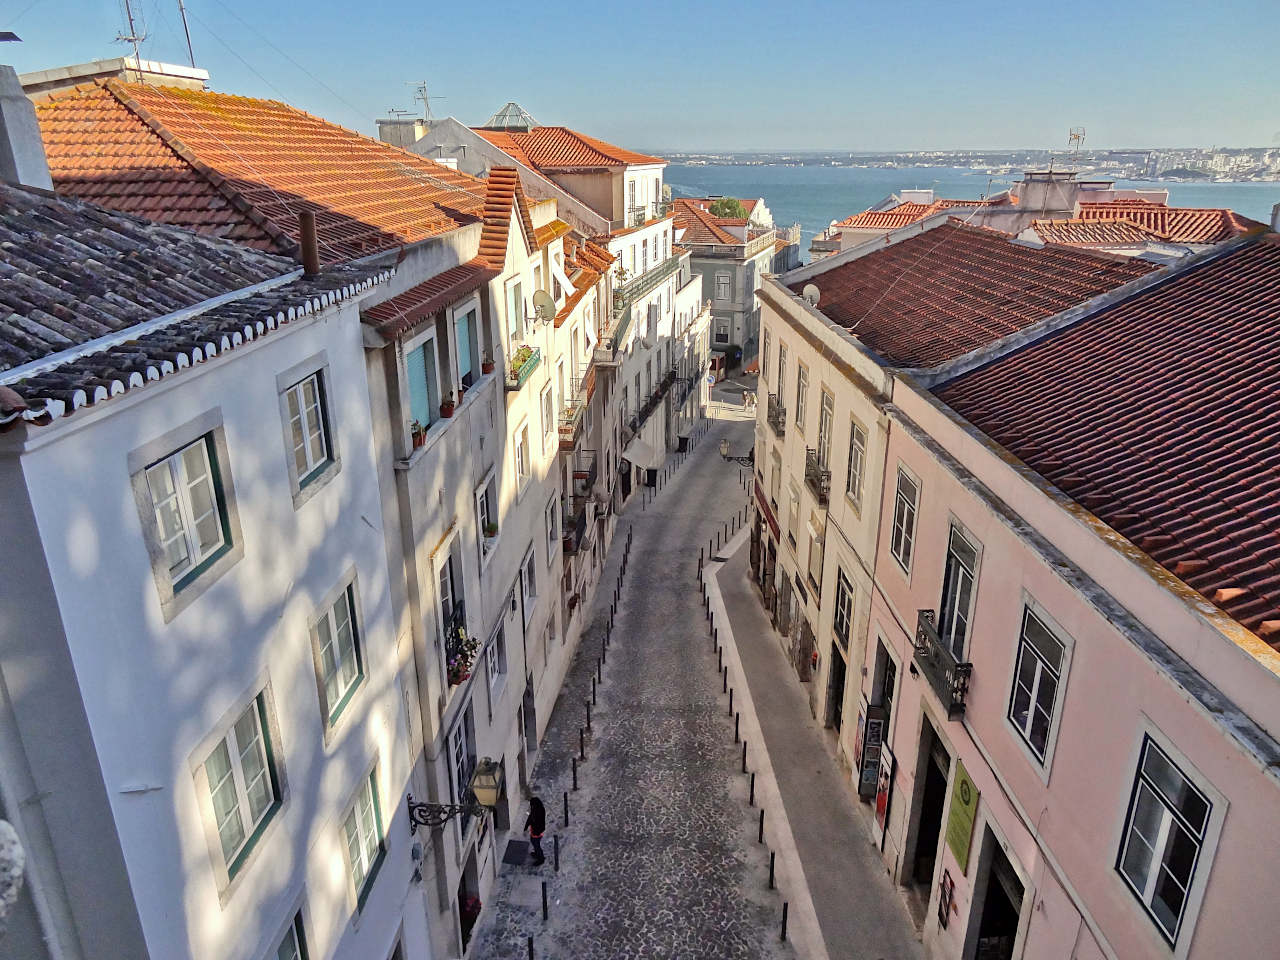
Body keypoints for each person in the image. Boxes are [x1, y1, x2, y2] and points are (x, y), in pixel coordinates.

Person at [524, 796, 546, 866]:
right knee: (533, 841)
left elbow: (535, 820)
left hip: (538, 831)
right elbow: (530, 818)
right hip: (534, 830)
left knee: (536, 845)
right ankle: (537, 853)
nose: (531, 806)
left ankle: (541, 858)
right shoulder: (535, 809)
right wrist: (526, 826)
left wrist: (534, 830)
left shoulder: (539, 811)